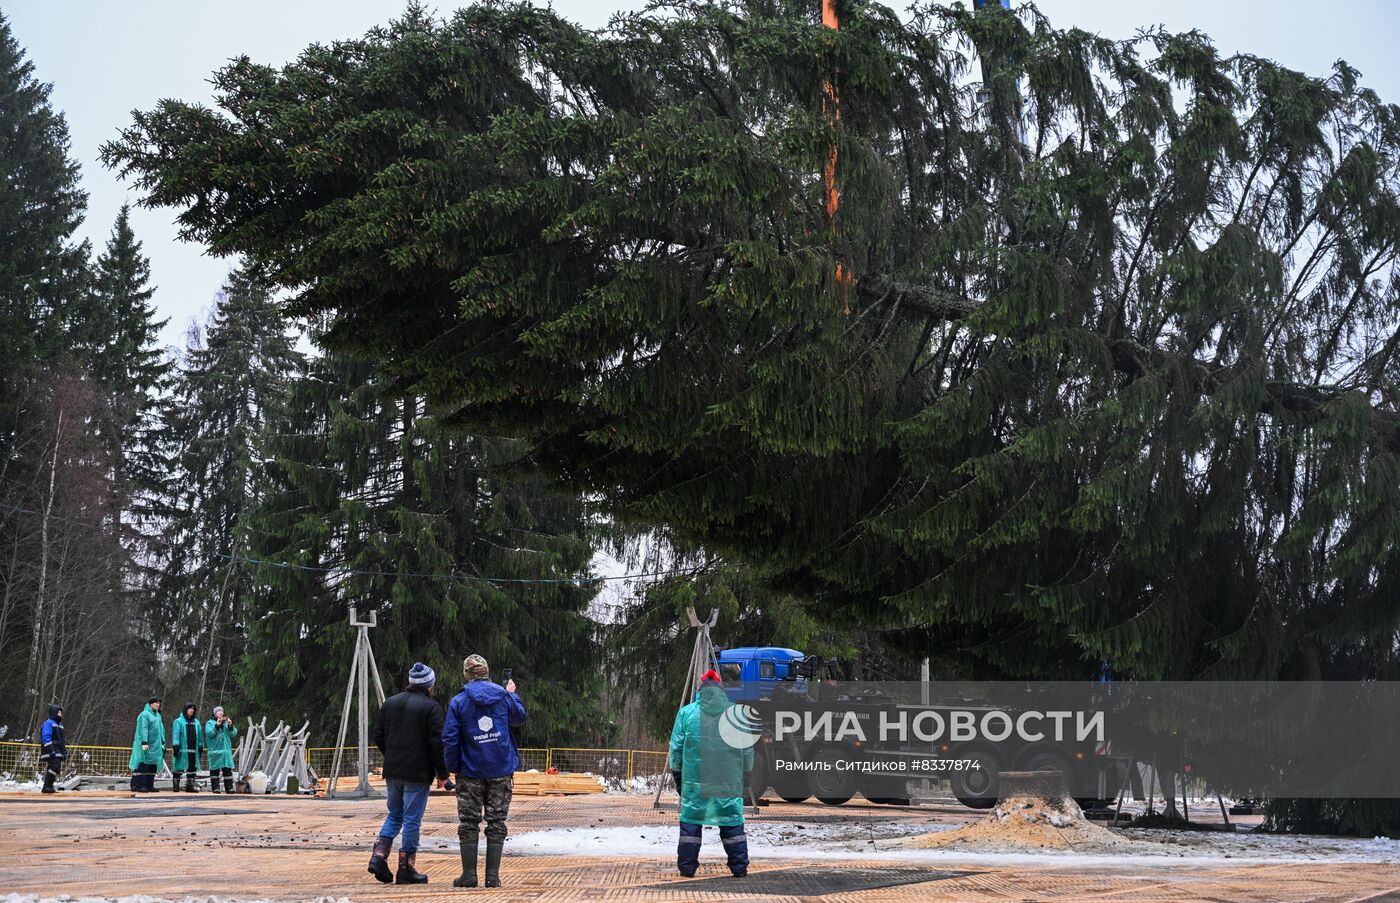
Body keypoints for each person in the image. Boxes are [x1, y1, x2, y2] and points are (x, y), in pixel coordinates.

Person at [443, 654, 526, 889]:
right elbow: (520, 718)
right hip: (501, 768)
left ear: (466, 674)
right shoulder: (503, 696)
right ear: (487, 671)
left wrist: (452, 766)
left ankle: (469, 875)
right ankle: (493, 876)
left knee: (469, 822)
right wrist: (511, 694)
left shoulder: (458, 702)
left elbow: (450, 738)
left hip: (470, 770)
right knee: (497, 821)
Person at [367, 662, 449, 885]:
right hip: (417, 773)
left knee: (395, 815)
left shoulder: (390, 703)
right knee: (412, 819)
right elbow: (436, 744)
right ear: (429, 685)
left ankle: (379, 856)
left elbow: (378, 735)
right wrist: (443, 773)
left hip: (393, 771)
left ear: (410, 682)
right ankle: (406, 868)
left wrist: (391, 755)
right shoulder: (431, 708)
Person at [667, 669, 752, 878]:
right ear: (721, 689)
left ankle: (687, 868)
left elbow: (676, 748)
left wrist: (677, 776)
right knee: (732, 822)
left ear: (700, 689)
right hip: (728, 782)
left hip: (695, 782)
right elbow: (747, 749)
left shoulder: (687, 713)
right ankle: (739, 868)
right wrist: (747, 776)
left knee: (691, 825)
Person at [128, 697, 165, 793]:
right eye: (156, 703)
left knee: (152, 766)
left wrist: (163, 741)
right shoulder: (144, 715)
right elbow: (143, 728)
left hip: (155, 745)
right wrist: (144, 741)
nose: (158, 704)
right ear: (150, 704)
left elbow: (161, 730)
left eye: (158, 703)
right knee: (143, 765)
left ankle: (149, 785)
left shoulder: (158, 716)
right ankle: (139, 785)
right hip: (146, 744)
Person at [171, 702, 205, 792]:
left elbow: (200, 736)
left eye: (193, 709)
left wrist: (201, 746)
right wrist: (176, 745)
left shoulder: (196, 722)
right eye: (189, 708)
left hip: (193, 749)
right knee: (178, 767)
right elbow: (176, 735)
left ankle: (190, 786)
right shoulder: (178, 721)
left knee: (192, 769)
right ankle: (176, 786)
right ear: (185, 709)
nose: (191, 710)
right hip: (182, 749)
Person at [205, 706, 239, 793]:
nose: (220, 712)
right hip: (215, 751)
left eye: (222, 711)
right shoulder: (210, 723)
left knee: (227, 770)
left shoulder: (225, 723)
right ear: (215, 713)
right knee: (215, 771)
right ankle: (215, 788)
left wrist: (231, 725)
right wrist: (217, 726)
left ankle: (229, 788)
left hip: (225, 752)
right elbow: (209, 734)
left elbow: (234, 733)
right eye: (218, 711)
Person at [40, 704, 66, 794]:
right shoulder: (48, 723)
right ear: (54, 713)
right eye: (58, 712)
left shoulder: (60, 725)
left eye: (61, 712)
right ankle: (47, 786)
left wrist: (64, 752)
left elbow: (62, 741)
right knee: (54, 766)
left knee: (55, 768)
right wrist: (51, 749)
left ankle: (48, 786)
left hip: (58, 751)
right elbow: (46, 737)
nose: (60, 714)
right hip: (50, 750)